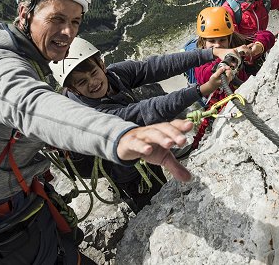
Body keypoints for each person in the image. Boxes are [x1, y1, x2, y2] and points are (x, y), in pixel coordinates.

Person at [0, 0, 194, 265]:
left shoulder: (10, 56)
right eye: (57, 18)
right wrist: (120, 134)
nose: (68, 32)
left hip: (21, 216)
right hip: (9, 237)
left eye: (76, 21)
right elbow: (36, 107)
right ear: (25, 14)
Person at [48, 37, 236, 211]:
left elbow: (155, 66)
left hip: (139, 148)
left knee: (157, 178)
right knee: (150, 201)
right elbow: (147, 110)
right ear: (73, 89)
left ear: (102, 65)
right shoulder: (91, 115)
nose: (93, 82)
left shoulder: (115, 75)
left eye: (93, 73)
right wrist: (204, 89)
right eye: (82, 82)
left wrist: (210, 54)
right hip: (126, 172)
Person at [194, 6, 275, 107]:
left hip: (244, 96)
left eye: (222, 40)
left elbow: (267, 35)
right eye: (211, 41)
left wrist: (258, 46)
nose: (217, 45)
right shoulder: (199, 60)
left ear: (230, 38)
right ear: (203, 41)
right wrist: (233, 54)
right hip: (221, 105)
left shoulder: (237, 44)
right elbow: (204, 77)